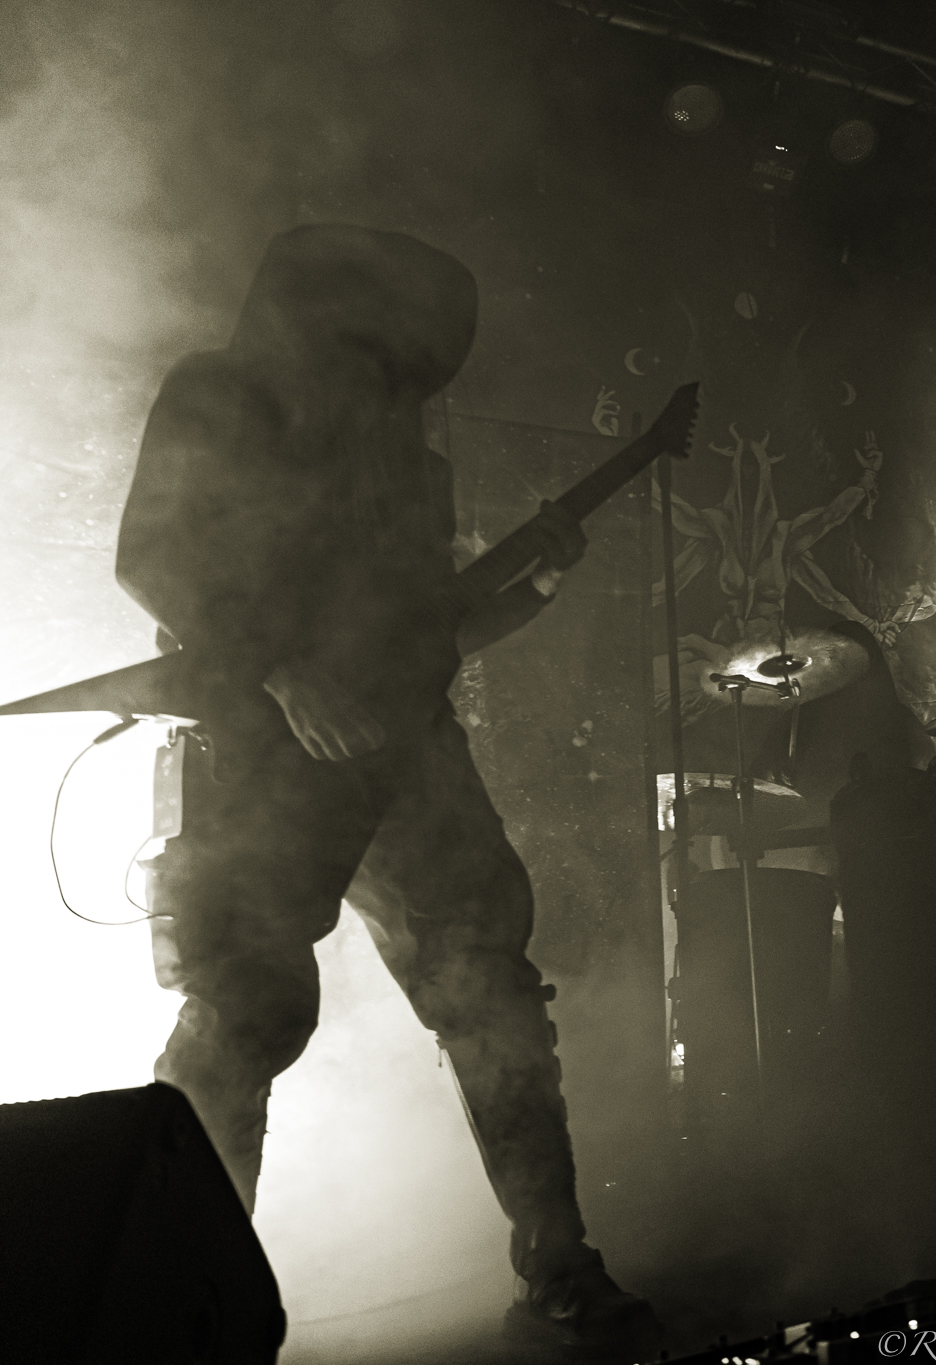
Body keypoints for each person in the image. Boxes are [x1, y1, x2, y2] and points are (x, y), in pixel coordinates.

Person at [117, 225, 662, 1354]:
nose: (388, 373)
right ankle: (175, 1304)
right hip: (261, 755)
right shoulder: (221, 397)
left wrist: (537, 582)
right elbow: (152, 557)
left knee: (492, 992)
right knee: (247, 1009)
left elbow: (430, 634)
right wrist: (285, 669)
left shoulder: (409, 462)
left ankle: (558, 1261)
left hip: (408, 755)